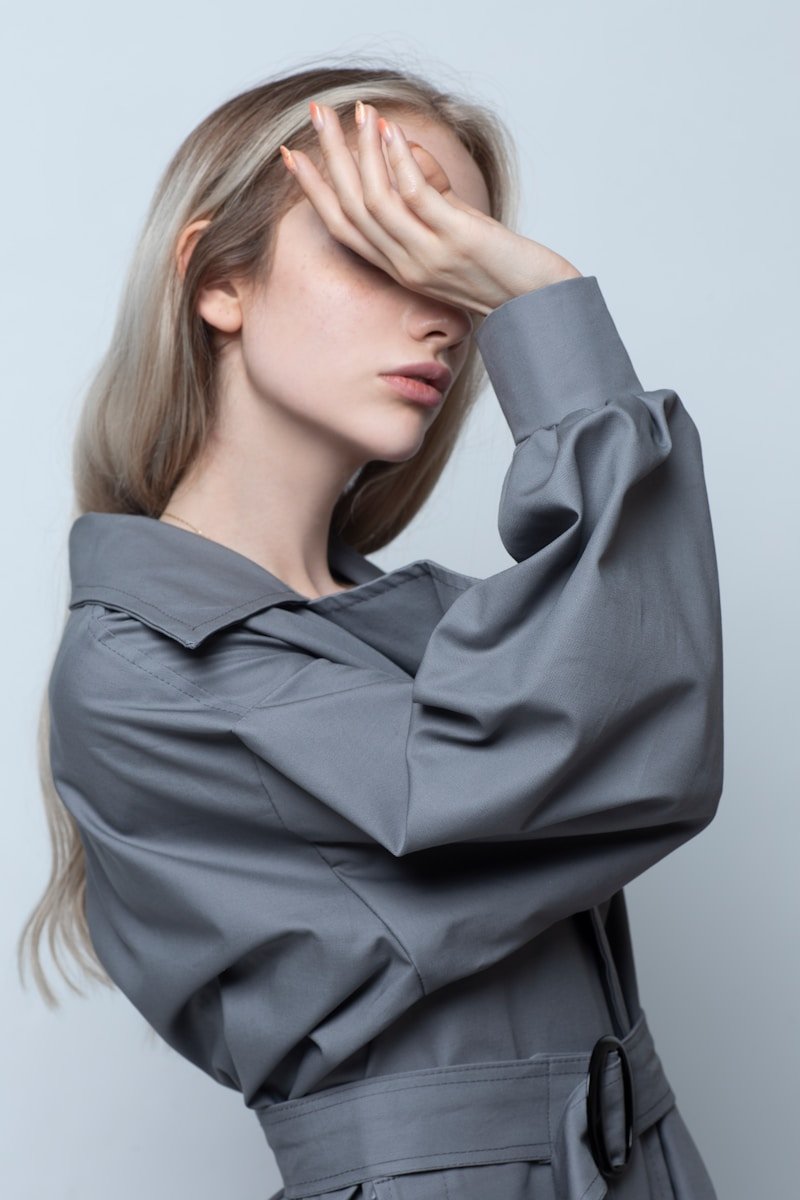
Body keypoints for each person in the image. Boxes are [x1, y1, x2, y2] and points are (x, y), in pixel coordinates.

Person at [19, 60, 724, 1200]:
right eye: (381, 237)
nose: (444, 311)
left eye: (459, 263)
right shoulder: (144, 667)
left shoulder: (423, 629)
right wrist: (548, 303)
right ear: (219, 279)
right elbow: (618, 740)